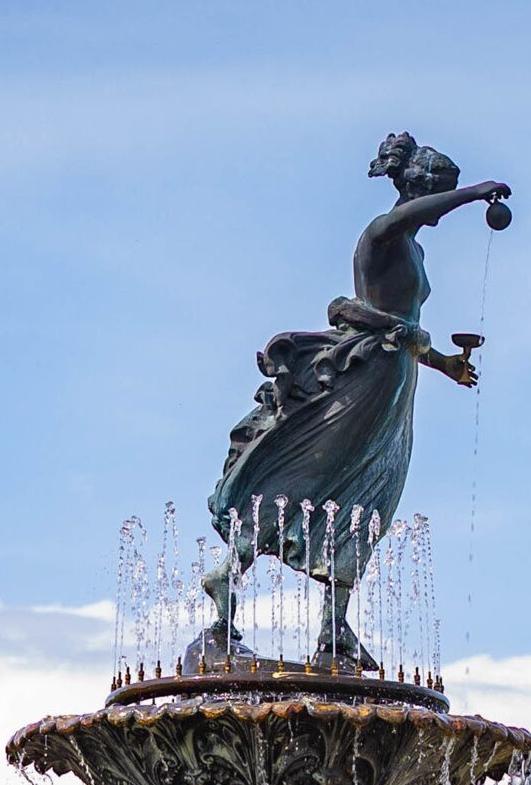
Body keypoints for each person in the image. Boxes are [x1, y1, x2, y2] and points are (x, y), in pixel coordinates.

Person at [195, 134, 514, 666]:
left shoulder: (414, 248)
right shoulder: (381, 236)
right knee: (307, 477)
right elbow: (388, 312)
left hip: (395, 388)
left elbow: (408, 328)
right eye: (440, 195)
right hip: (362, 377)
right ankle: (226, 582)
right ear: (418, 189)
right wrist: (475, 193)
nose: (439, 211)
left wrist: (446, 366)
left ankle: (334, 630)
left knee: (369, 502)